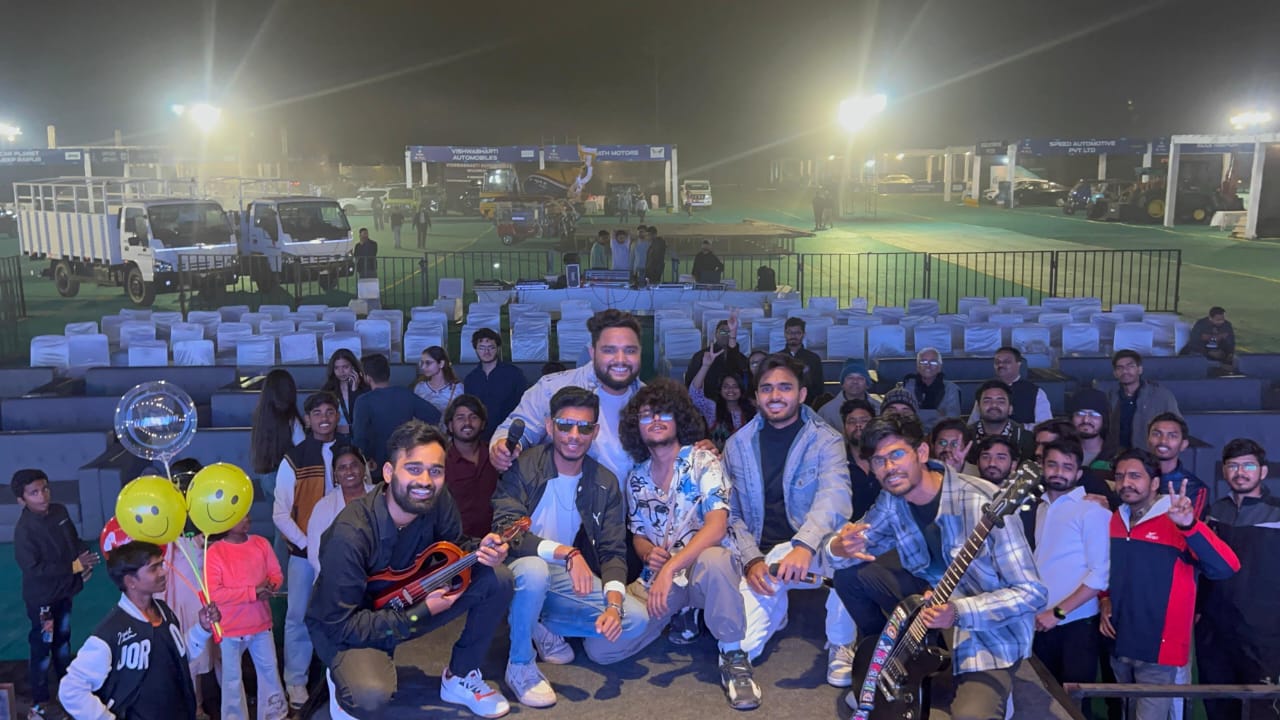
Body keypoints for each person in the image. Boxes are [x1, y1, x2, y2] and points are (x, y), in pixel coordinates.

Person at [827, 414, 1047, 718]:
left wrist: (957, 612)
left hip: (983, 630)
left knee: (970, 715)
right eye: (879, 461)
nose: (889, 468)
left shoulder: (982, 502)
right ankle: (888, 659)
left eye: (897, 454)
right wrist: (837, 547)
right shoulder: (892, 499)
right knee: (849, 575)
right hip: (927, 603)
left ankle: (994, 686)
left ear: (921, 453)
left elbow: (1032, 593)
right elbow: (852, 547)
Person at [306, 420, 515, 719]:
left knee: (497, 577)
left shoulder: (437, 499)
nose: (426, 481)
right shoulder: (350, 534)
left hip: (413, 598)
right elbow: (339, 624)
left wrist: (482, 549)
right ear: (388, 472)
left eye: (436, 471)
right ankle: (341, 679)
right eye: (414, 469)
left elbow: (453, 546)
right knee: (369, 696)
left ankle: (460, 676)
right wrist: (419, 614)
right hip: (354, 626)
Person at [490, 387, 648, 708]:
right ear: (550, 427)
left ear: (595, 432)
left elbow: (613, 550)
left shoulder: (604, 481)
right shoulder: (524, 466)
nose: (574, 436)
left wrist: (614, 605)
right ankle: (520, 664)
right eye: (565, 425)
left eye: (584, 428)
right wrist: (567, 553)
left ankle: (537, 621)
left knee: (635, 619)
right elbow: (506, 531)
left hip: (560, 575)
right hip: (516, 567)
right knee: (534, 570)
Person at [611, 379, 761, 710]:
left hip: (701, 572)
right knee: (603, 651)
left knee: (716, 559)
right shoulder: (636, 477)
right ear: (637, 426)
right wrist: (648, 553)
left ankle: (734, 656)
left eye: (664, 412)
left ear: (679, 418)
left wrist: (670, 569)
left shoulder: (703, 461)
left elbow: (717, 526)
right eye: (646, 414)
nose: (655, 419)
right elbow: (638, 534)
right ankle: (683, 612)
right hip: (662, 579)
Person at [723, 354, 855, 685]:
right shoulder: (737, 445)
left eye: (785, 387)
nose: (775, 395)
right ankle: (776, 608)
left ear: (802, 394)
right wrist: (751, 559)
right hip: (763, 558)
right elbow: (731, 513)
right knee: (739, 646)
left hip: (814, 551)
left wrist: (804, 545)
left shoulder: (827, 440)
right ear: (756, 396)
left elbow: (835, 498)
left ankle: (842, 642)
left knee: (850, 548)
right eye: (766, 388)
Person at [1100, 449, 1239, 720]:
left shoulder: (1176, 518)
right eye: (1120, 476)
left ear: (1154, 483)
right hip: (1119, 643)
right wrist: (1105, 598)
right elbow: (1105, 568)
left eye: (1135, 476)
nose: (1125, 483)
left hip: (1158, 650)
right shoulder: (1114, 519)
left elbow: (1226, 566)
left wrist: (1189, 525)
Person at [59, 541, 220, 720]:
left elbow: (178, 656)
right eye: (154, 568)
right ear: (130, 581)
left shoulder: (164, 611)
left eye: (161, 565)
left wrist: (202, 628)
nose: (163, 572)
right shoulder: (111, 632)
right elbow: (70, 689)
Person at [491, 309, 644, 484]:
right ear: (592, 352)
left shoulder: (651, 402)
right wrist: (502, 448)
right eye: (609, 350)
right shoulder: (552, 388)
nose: (621, 359)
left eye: (630, 350)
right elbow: (517, 429)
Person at [1020, 439, 1111, 710]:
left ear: (1078, 473)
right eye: (1053, 465)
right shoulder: (1040, 508)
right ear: (1042, 468)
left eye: (1067, 467)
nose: (1059, 472)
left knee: (1073, 707)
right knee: (1043, 705)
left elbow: (1100, 575)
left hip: (1075, 626)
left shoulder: (1092, 510)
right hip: (1040, 622)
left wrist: (1058, 613)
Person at [1198, 439, 1280, 720]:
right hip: (1216, 629)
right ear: (1224, 471)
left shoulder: (1276, 513)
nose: (1240, 472)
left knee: (1262, 709)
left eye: (1248, 466)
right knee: (1218, 705)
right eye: (1233, 466)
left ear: (1263, 472)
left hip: (1263, 633)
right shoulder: (1214, 513)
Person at [272, 391, 341, 711]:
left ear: (337, 415)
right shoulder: (295, 457)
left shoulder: (350, 451)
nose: (324, 418)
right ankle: (296, 681)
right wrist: (306, 543)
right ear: (309, 419)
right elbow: (280, 513)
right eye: (317, 413)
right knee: (298, 616)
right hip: (302, 554)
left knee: (341, 613)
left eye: (330, 411)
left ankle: (340, 674)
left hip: (342, 553)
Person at [13, 469, 98, 720]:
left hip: (64, 593)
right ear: (21, 500)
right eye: (34, 493)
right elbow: (34, 569)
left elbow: (74, 540)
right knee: (42, 648)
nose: (42, 496)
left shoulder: (59, 511)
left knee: (63, 642)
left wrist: (84, 557)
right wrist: (73, 567)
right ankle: (40, 701)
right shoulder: (24, 530)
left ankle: (67, 689)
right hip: (43, 601)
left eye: (45, 489)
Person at [206, 514, 287, 720]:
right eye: (239, 517)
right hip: (229, 628)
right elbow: (215, 593)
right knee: (231, 679)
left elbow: (276, 574)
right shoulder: (215, 551)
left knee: (269, 671)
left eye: (247, 515)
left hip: (261, 624)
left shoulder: (261, 543)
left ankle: (274, 714)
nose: (246, 520)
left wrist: (271, 587)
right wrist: (253, 593)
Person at [352, 353, 441, 469]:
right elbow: (434, 415)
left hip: (376, 464)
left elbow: (359, 437)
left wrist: (366, 458)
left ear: (367, 377)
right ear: (388, 373)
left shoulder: (363, 401)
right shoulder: (405, 394)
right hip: (404, 459)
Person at [307, 445, 375, 575]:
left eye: (354, 465)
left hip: (378, 576)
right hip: (336, 577)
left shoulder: (380, 496)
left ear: (363, 468)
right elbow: (314, 553)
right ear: (335, 475)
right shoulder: (324, 507)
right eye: (342, 468)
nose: (349, 471)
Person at [444, 395, 499, 540]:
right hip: (457, 544)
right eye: (460, 418)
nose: (467, 423)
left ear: (483, 424)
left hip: (496, 540)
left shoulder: (496, 455)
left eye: (473, 417)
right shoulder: (441, 461)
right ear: (450, 426)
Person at [1106, 350, 1180, 451]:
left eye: (1130, 366)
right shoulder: (1109, 396)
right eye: (1120, 368)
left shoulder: (1162, 396)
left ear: (1140, 369)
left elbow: (1177, 426)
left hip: (1149, 454)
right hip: (1117, 454)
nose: (1125, 371)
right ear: (1115, 373)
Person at [463, 328, 529, 439]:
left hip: (508, 432)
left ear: (498, 348)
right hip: (480, 435)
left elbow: (524, 403)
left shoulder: (514, 374)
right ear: (476, 350)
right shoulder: (471, 379)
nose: (486, 352)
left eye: (491, 347)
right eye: (481, 348)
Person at [969, 347, 1051, 429]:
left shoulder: (1035, 392)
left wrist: (1015, 429)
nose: (1001, 365)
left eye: (1006, 362)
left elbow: (1045, 426)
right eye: (997, 362)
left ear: (1019, 364)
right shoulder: (986, 390)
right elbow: (972, 424)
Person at [690, 347, 755, 451]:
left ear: (741, 389)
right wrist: (705, 366)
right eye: (726, 386)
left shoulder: (751, 409)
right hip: (719, 459)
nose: (731, 390)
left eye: (735, 386)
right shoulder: (713, 409)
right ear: (720, 390)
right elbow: (695, 394)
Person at [1145, 412, 1208, 517]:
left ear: (1183, 444)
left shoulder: (1194, 488)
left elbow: (1192, 525)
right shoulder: (1133, 479)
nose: (1163, 440)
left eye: (1172, 436)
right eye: (1156, 434)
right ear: (1148, 440)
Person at [683, 311, 750, 404]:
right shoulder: (701, 356)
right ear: (715, 334)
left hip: (734, 401)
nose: (726, 335)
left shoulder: (742, 359)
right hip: (706, 401)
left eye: (729, 332)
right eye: (723, 331)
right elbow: (690, 383)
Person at [967, 380, 1037, 464]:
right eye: (987, 401)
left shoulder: (1026, 439)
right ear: (978, 408)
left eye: (1001, 401)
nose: (994, 405)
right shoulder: (965, 436)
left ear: (1010, 409)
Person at [901, 347, 961, 432]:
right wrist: (938, 414)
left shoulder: (952, 389)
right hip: (912, 434)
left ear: (940, 367)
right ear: (917, 366)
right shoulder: (906, 387)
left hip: (941, 433)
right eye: (923, 362)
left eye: (933, 362)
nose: (928, 366)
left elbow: (953, 420)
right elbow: (903, 417)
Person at [840, 399, 881, 520]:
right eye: (852, 421)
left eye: (864, 421)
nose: (858, 425)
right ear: (844, 428)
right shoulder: (837, 461)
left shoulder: (886, 458)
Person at [818, 358, 881, 429]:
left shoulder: (879, 408)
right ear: (842, 383)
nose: (855, 381)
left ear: (867, 384)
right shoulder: (826, 412)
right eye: (850, 378)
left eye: (860, 378)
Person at [321, 349, 369, 438]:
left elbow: (362, 416)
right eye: (336, 368)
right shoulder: (328, 389)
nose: (341, 372)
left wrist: (355, 391)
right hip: (335, 436)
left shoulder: (365, 389)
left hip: (360, 436)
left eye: (345, 367)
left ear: (353, 367)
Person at [781, 317, 824, 407]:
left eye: (797, 333)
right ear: (785, 334)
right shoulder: (777, 358)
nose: (793, 336)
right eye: (790, 332)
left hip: (808, 405)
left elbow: (819, 389)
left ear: (803, 334)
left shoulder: (813, 358)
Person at [412, 346, 463, 413]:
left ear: (441, 364)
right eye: (422, 363)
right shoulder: (420, 387)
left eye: (428, 363)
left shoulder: (457, 388)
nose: (423, 367)